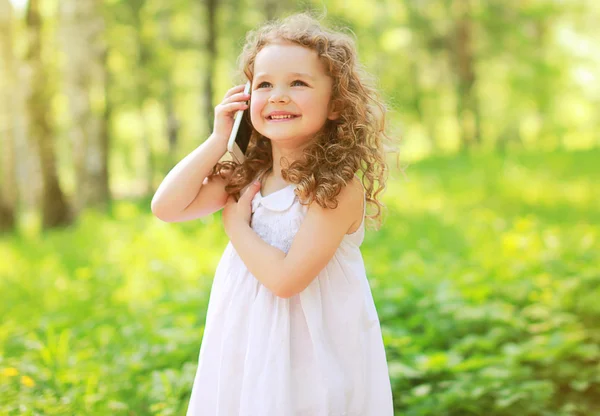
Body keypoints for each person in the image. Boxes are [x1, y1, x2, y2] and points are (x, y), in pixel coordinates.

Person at [151, 11, 397, 416]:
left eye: (297, 83)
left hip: (311, 353)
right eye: (264, 84)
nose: (278, 95)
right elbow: (166, 206)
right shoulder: (249, 174)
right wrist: (218, 139)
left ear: (336, 104)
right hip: (247, 343)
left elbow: (286, 280)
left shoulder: (334, 186)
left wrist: (236, 227)